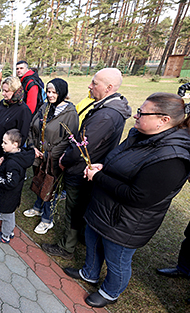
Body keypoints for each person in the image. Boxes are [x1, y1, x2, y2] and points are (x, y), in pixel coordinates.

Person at [63, 92, 190, 308]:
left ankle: (110, 292)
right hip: (104, 207)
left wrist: (100, 177)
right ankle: (89, 273)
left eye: (142, 113)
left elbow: (139, 197)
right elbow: (123, 164)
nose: (135, 116)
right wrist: (104, 167)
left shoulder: (173, 157)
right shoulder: (139, 134)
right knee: (93, 241)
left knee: (117, 259)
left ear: (163, 120)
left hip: (126, 221)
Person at [42, 68, 131, 260]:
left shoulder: (106, 115)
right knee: (81, 207)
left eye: (94, 83)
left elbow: (84, 146)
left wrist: (64, 160)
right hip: (89, 168)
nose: (89, 86)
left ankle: (67, 247)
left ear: (108, 88)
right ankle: (79, 237)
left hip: (81, 171)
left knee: (73, 210)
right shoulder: (108, 108)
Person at [25, 78, 79, 234]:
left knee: (50, 186)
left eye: (54, 92)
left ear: (61, 93)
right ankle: (37, 207)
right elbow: (32, 127)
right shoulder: (45, 107)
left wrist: (50, 154)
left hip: (54, 159)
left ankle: (47, 219)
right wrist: (33, 147)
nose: (50, 95)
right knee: (39, 180)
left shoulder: (70, 113)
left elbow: (70, 139)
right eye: (48, 91)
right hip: (38, 154)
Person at [0, 129, 35, 244]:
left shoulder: (13, 164)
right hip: (12, 195)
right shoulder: (16, 155)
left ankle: (5, 236)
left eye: (5, 143)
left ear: (15, 145)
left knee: (7, 215)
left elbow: (10, 183)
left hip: (9, 195)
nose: (2, 145)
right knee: (9, 214)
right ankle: (10, 231)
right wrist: (4, 158)